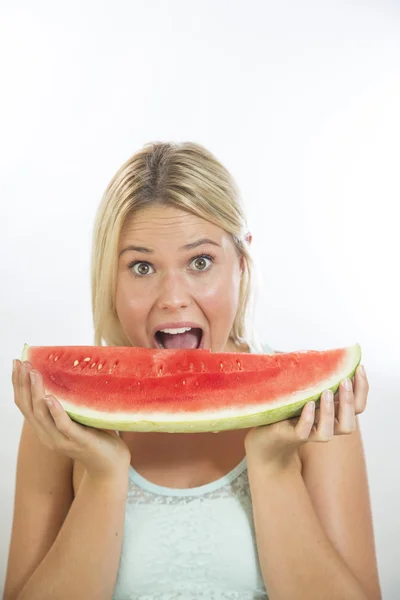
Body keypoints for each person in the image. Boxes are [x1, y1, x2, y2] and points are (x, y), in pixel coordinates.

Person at [5, 142, 381, 600]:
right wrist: (103, 474)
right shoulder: (58, 414)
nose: (173, 298)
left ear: (242, 262)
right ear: (110, 277)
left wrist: (274, 465)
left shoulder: (313, 411)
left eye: (200, 262)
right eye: (141, 267)